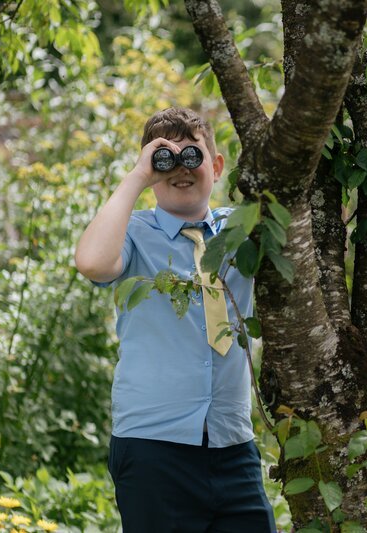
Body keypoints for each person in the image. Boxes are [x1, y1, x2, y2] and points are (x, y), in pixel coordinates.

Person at [75, 107, 276, 532]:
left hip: (232, 442)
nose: (181, 168)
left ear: (216, 167)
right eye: (166, 159)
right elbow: (92, 262)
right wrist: (138, 176)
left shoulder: (243, 231)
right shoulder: (133, 232)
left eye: (193, 156)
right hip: (152, 446)